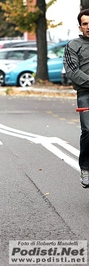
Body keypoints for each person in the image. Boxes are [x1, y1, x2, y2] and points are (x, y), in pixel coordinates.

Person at [64, 8, 89, 188]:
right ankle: (86, 169)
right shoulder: (73, 45)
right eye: (85, 24)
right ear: (80, 27)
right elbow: (73, 71)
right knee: (88, 130)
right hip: (86, 93)